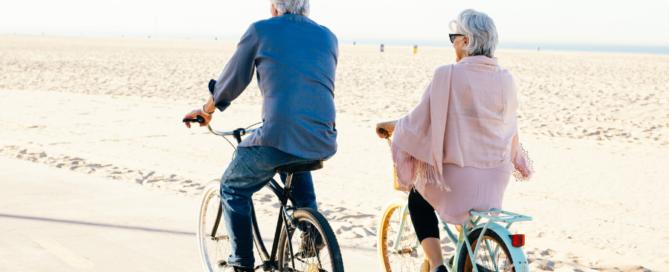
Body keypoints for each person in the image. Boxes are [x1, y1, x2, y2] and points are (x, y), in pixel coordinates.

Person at [182, 0, 338, 271]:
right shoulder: (328, 36)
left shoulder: (261, 30)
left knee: (232, 188)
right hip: (323, 136)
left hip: (279, 133)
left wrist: (208, 111)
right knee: (292, 153)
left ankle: (241, 263)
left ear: (274, 8)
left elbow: (231, 81)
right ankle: (310, 231)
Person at [375, 9, 533, 272]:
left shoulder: (447, 75)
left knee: (418, 198)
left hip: (460, 181)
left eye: (454, 36)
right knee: (466, 217)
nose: (452, 43)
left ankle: (437, 266)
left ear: (467, 41)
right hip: (496, 178)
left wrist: (392, 126)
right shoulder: (507, 79)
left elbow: (418, 122)